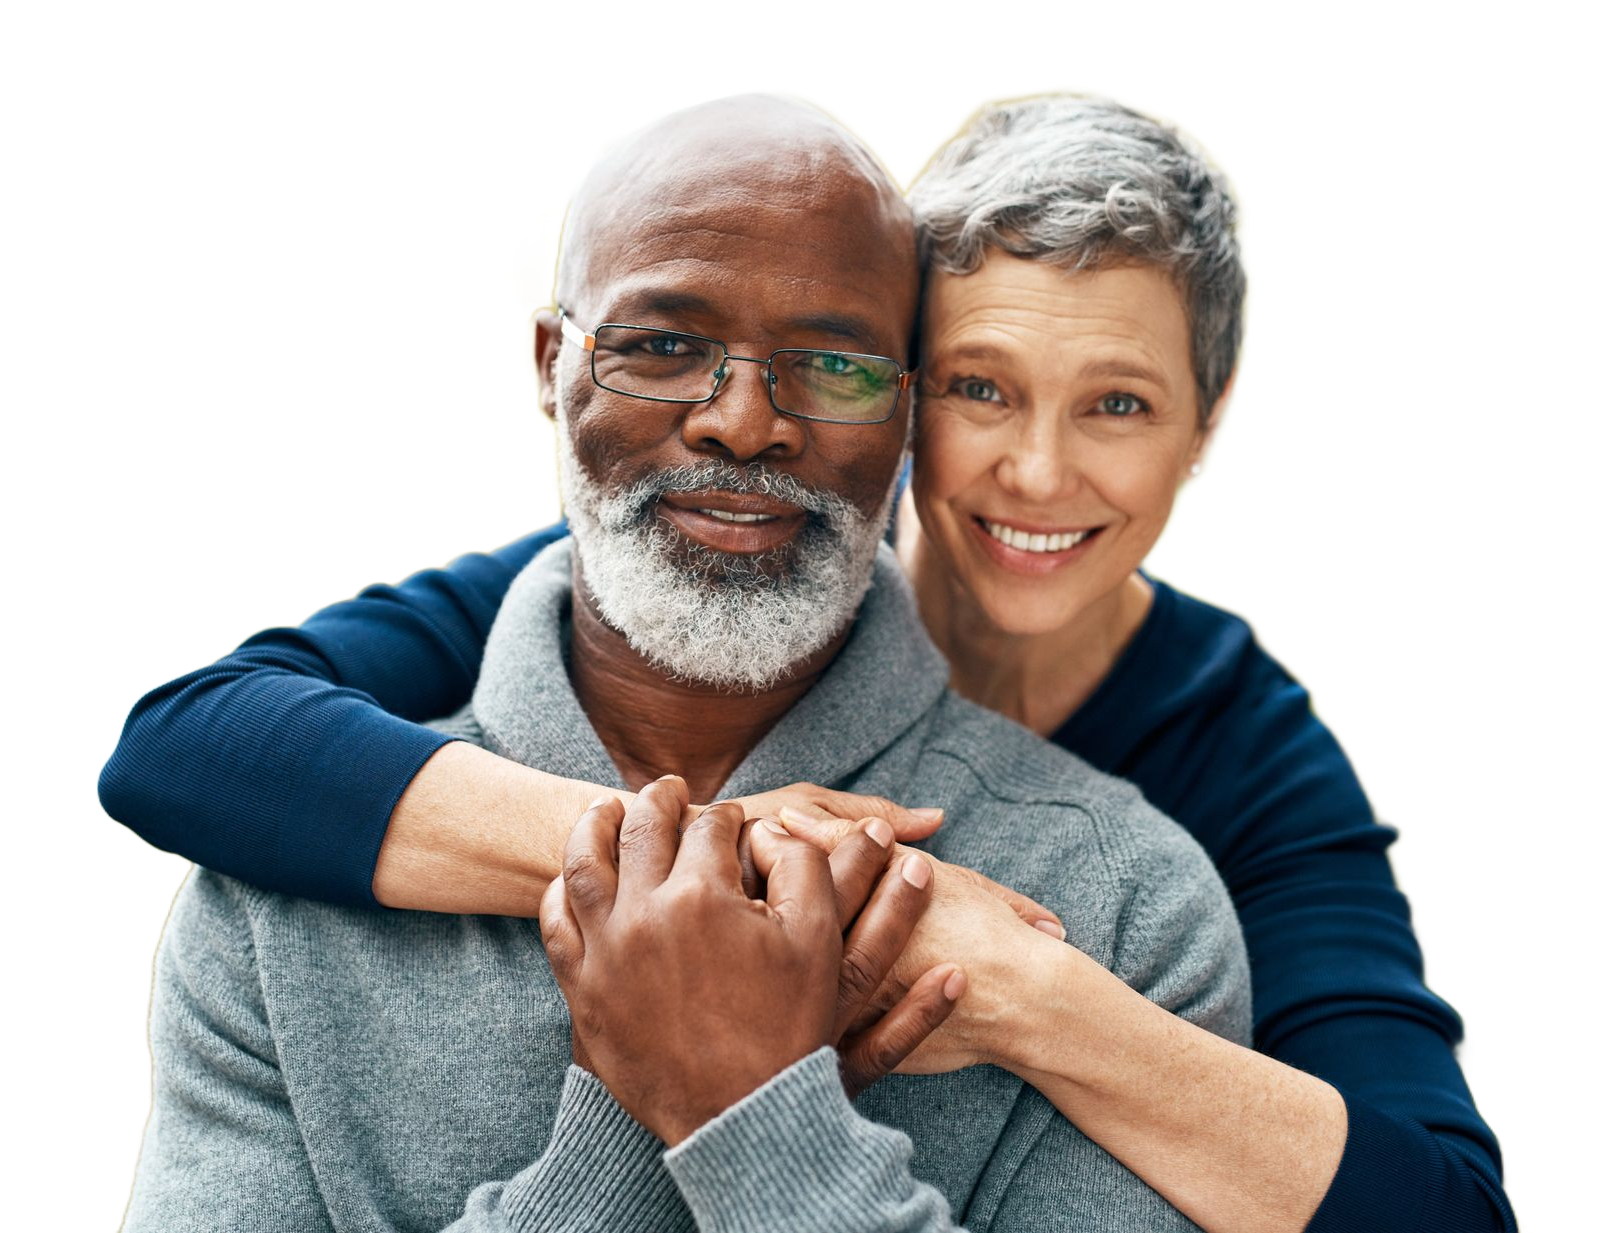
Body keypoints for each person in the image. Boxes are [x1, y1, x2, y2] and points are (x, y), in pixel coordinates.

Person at [99, 85, 1514, 1232]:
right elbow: (186, 737)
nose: (1034, 468)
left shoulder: (1165, 863)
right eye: (980, 386)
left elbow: (1438, 1210)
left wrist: (1009, 1015)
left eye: (1119, 403)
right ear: (551, 366)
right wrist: (699, 894)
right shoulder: (287, 883)